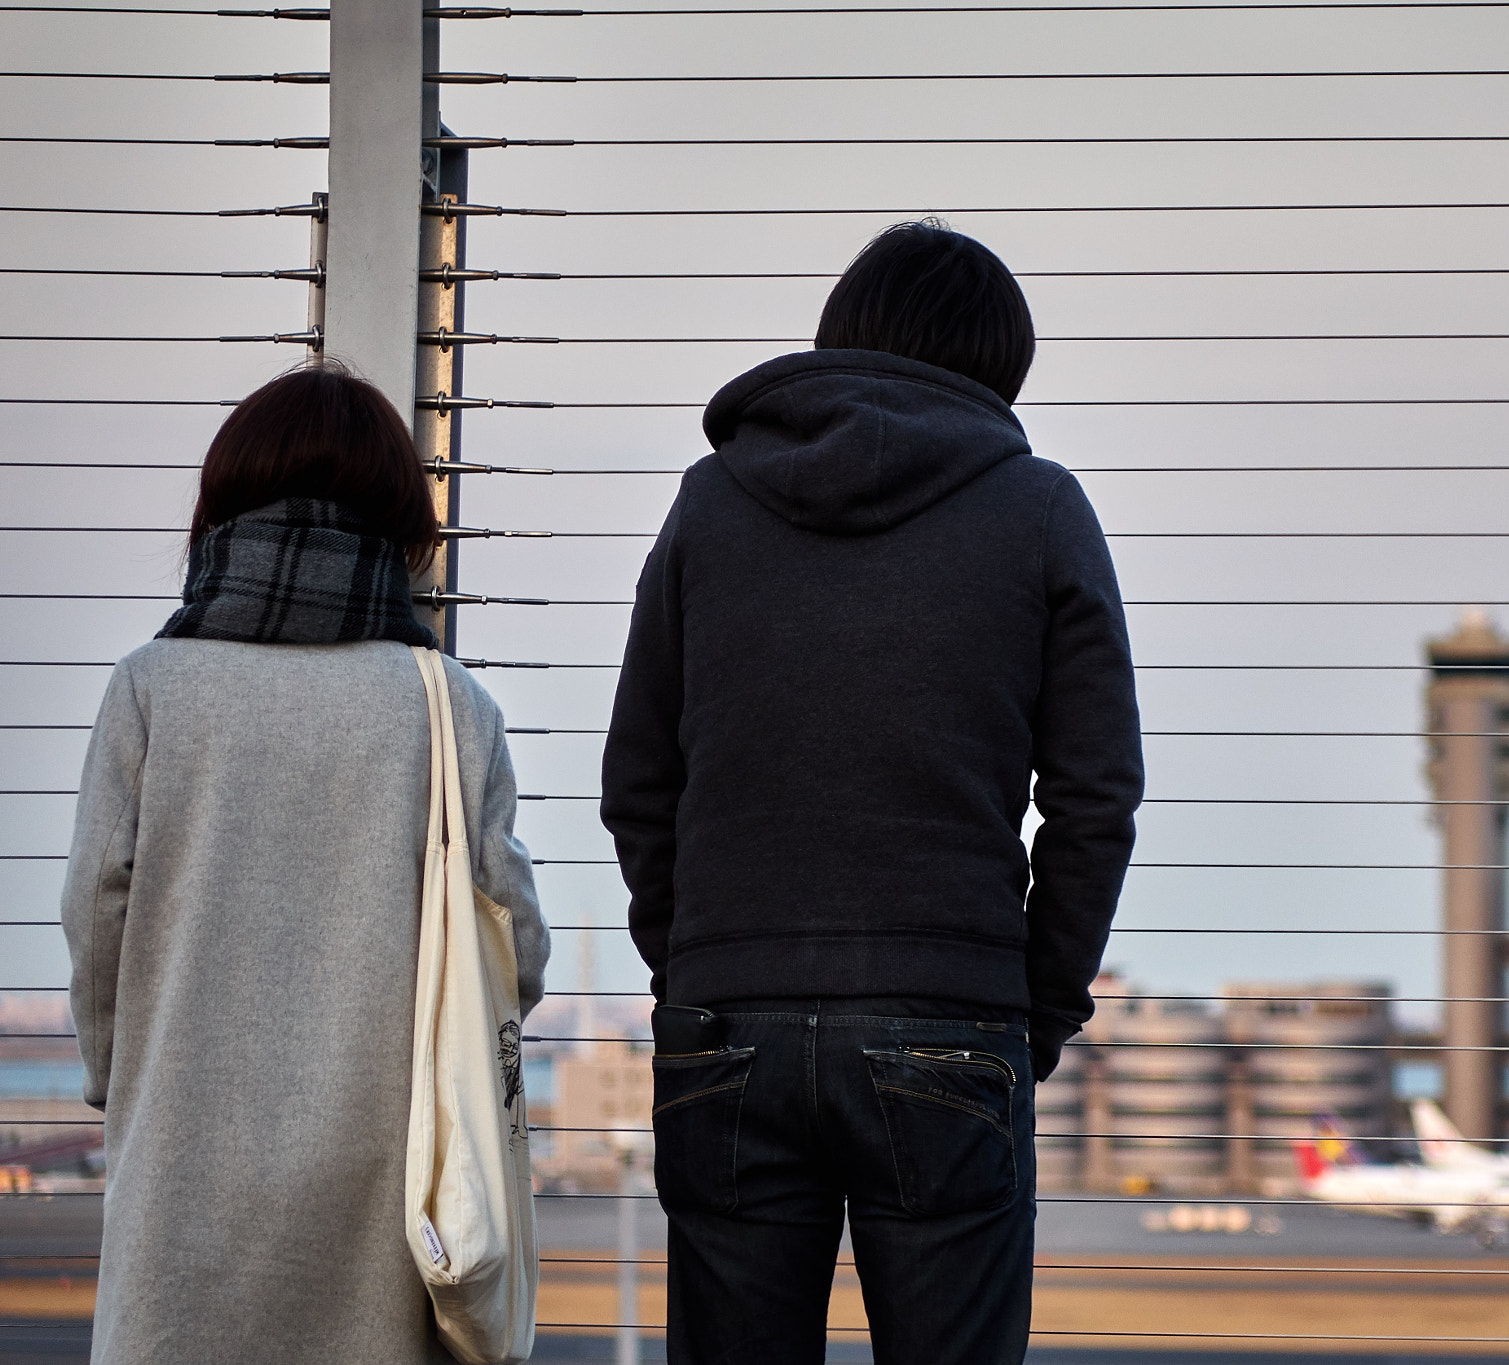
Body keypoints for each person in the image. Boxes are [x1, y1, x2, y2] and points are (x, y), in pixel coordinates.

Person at [601, 219, 1145, 1365]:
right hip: (951, 1015)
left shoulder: (709, 503)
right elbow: (1094, 800)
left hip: (728, 1015)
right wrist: (1031, 1009)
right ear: (997, 371)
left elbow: (638, 780)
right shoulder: (1040, 507)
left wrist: (700, 965)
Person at [60, 364, 550, 1365]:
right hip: (386, 1192)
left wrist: (131, 1079)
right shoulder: (446, 705)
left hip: (180, 1180)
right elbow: (515, 948)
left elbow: (95, 917)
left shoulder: (151, 690)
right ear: (401, 520)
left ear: (222, 505)